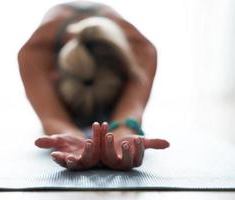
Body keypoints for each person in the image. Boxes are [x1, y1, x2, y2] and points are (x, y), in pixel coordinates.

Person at [18, 1, 169, 171]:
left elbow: (131, 110)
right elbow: (52, 117)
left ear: (124, 77)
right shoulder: (33, 53)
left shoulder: (142, 50)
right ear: (54, 75)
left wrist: (122, 134)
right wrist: (73, 136)